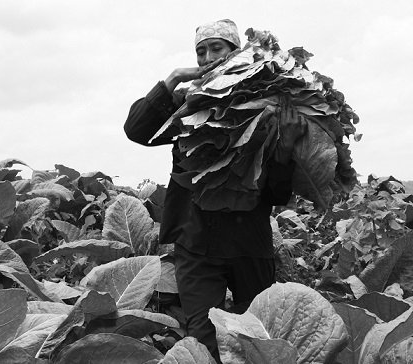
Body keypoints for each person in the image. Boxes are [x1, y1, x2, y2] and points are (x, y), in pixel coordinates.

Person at [124, 19, 305, 362]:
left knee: (257, 337)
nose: (207, 57)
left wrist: (284, 152)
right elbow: (137, 129)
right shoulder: (189, 106)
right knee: (204, 342)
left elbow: (278, 195)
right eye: (201, 51)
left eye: (217, 48)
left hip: (249, 244)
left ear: (237, 53)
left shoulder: (267, 106)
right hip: (196, 245)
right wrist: (175, 77)